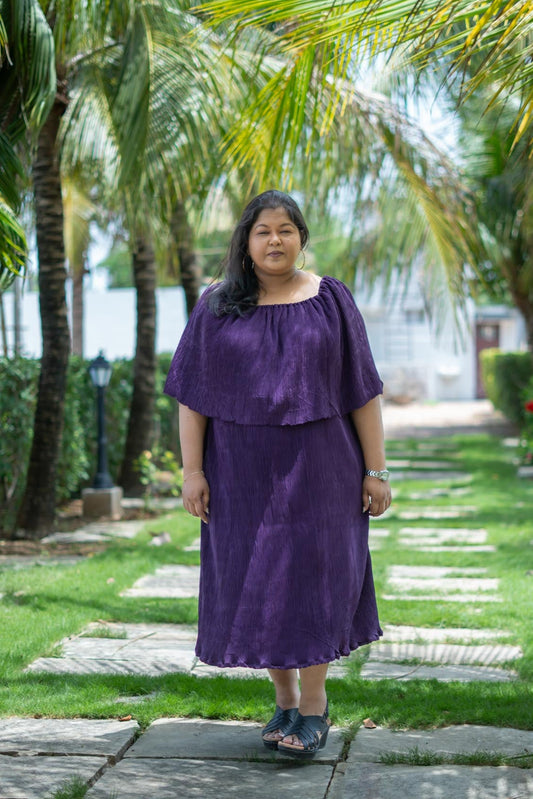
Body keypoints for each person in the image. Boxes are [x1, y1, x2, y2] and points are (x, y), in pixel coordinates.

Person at [164, 189, 391, 759]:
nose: (275, 240)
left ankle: (314, 709)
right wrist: (193, 472)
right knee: (259, 579)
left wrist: (376, 470)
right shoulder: (216, 304)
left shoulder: (330, 300)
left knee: (314, 579)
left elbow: (362, 390)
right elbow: (191, 397)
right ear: (245, 240)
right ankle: (284, 702)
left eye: (286, 229)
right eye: (263, 230)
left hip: (323, 470)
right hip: (239, 472)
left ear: (301, 237)